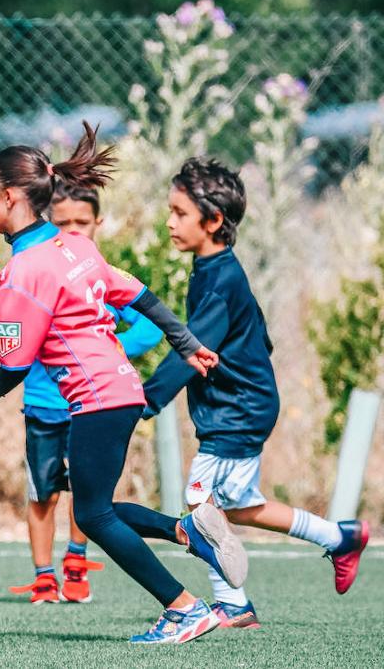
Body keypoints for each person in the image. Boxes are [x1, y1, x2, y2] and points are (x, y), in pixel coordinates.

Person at [0, 122, 247, 645]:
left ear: (10, 197)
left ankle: (184, 608)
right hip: (123, 391)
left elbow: (13, 368)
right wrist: (186, 344)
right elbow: (140, 295)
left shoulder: (21, 273)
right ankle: (185, 530)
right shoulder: (77, 246)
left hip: (96, 400)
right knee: (95, 509)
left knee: (93, 514)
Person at [142, 158, 370, 629]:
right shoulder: (213, 268)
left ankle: (233, 604)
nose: (169, 222)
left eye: (179, 213)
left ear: (213, 221)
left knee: (200, 503)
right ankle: (339, 537)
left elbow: (193, 349)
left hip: (237, 410)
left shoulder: (220, 279)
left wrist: (145, 400)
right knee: (239, 507)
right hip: (241, 404)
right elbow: (255, 335)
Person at [8, 183, 163, 604]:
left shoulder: (98, 275)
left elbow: (150, 325)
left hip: (92, 406)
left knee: (86, 494)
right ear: (47, 224)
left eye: (82, 221)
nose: (74, 230)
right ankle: (44, 578)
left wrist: (105, 347)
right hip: (42, 406)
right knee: (43, 494)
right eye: (63, 223)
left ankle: (76, 564)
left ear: (99, 223)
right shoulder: (34, 271)